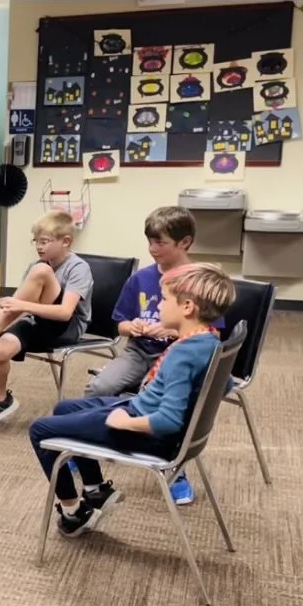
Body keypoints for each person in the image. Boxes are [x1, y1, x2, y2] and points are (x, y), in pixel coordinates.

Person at [28, 263, 236, 537]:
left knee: (39, 429)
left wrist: (125, 423)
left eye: (163, 299)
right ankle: (95, 490)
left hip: (143, 431)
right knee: (64, 408)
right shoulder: (209, 341)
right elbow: (227, 383)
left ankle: (73, 511)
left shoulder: (182, 355)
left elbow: (168, 420)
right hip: (141, 410)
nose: (158, 305)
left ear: (187, 307)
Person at [85, 206, 219, 505]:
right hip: (138, 350)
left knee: (172, 406)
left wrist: (172, 332)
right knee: (99, 388)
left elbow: (210, 332)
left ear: (185, 243)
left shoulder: (201, 282)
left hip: (180, 355)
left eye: (161, 243)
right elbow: (118, 322)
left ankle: (176, 468)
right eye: (150, 242)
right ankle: (87, 450)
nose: (152, 249)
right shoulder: (140, 279)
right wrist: (130, 326)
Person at [0, 210, 94, 428]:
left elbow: (65, 312)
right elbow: (17, 304)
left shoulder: (78, 267)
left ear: (66, 241)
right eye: (36, 241)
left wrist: (21, 307)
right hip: (39, 319)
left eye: (45, 241)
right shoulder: (37, 264)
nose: (39, 246)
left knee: (41, 270)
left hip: (67, 327)